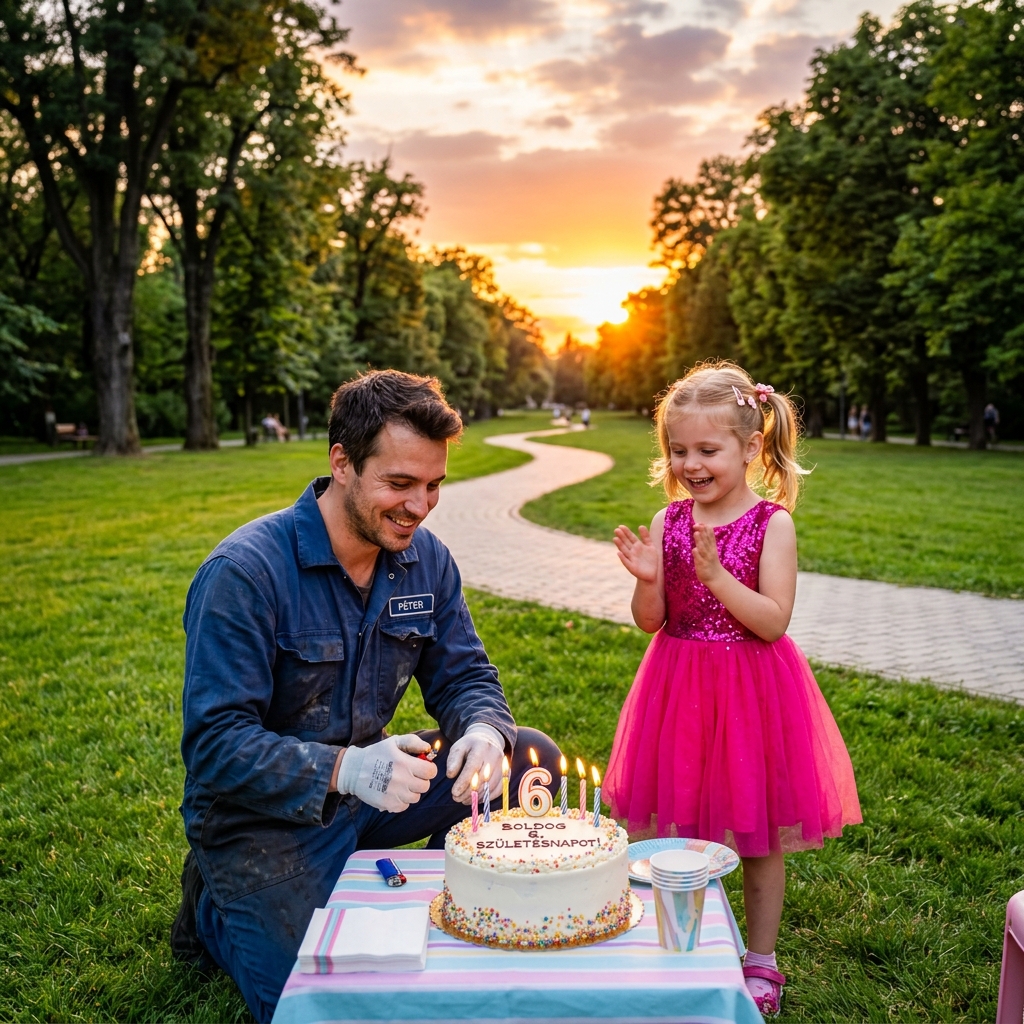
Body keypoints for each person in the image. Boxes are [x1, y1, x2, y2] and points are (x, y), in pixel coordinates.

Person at [172, 370, 560, 1021]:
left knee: (528, 761)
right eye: (400, 484)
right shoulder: (243, 573)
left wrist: (483, 733)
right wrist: (346, 768)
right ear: (342, 463)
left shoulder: (426, 560)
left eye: (434, 484)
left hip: (375, 793)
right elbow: (214, 747)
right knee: (328, 1001)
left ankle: (459, 900)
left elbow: (465, 677)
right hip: (263, 823)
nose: (420, 505)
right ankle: (214, 907)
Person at [606, 361, 861, 1018]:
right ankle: (683, 944)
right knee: (680, 822)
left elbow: (773, 622)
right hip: (678, 687)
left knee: (756, 833)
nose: (690, 463)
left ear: (750, 448)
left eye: (707, 450)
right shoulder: (668, 522)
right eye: (678, 450)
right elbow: (652, 621)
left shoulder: (772, 525)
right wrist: (644, 578)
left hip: (751, 693)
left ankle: (761, 959)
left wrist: (717, 576)